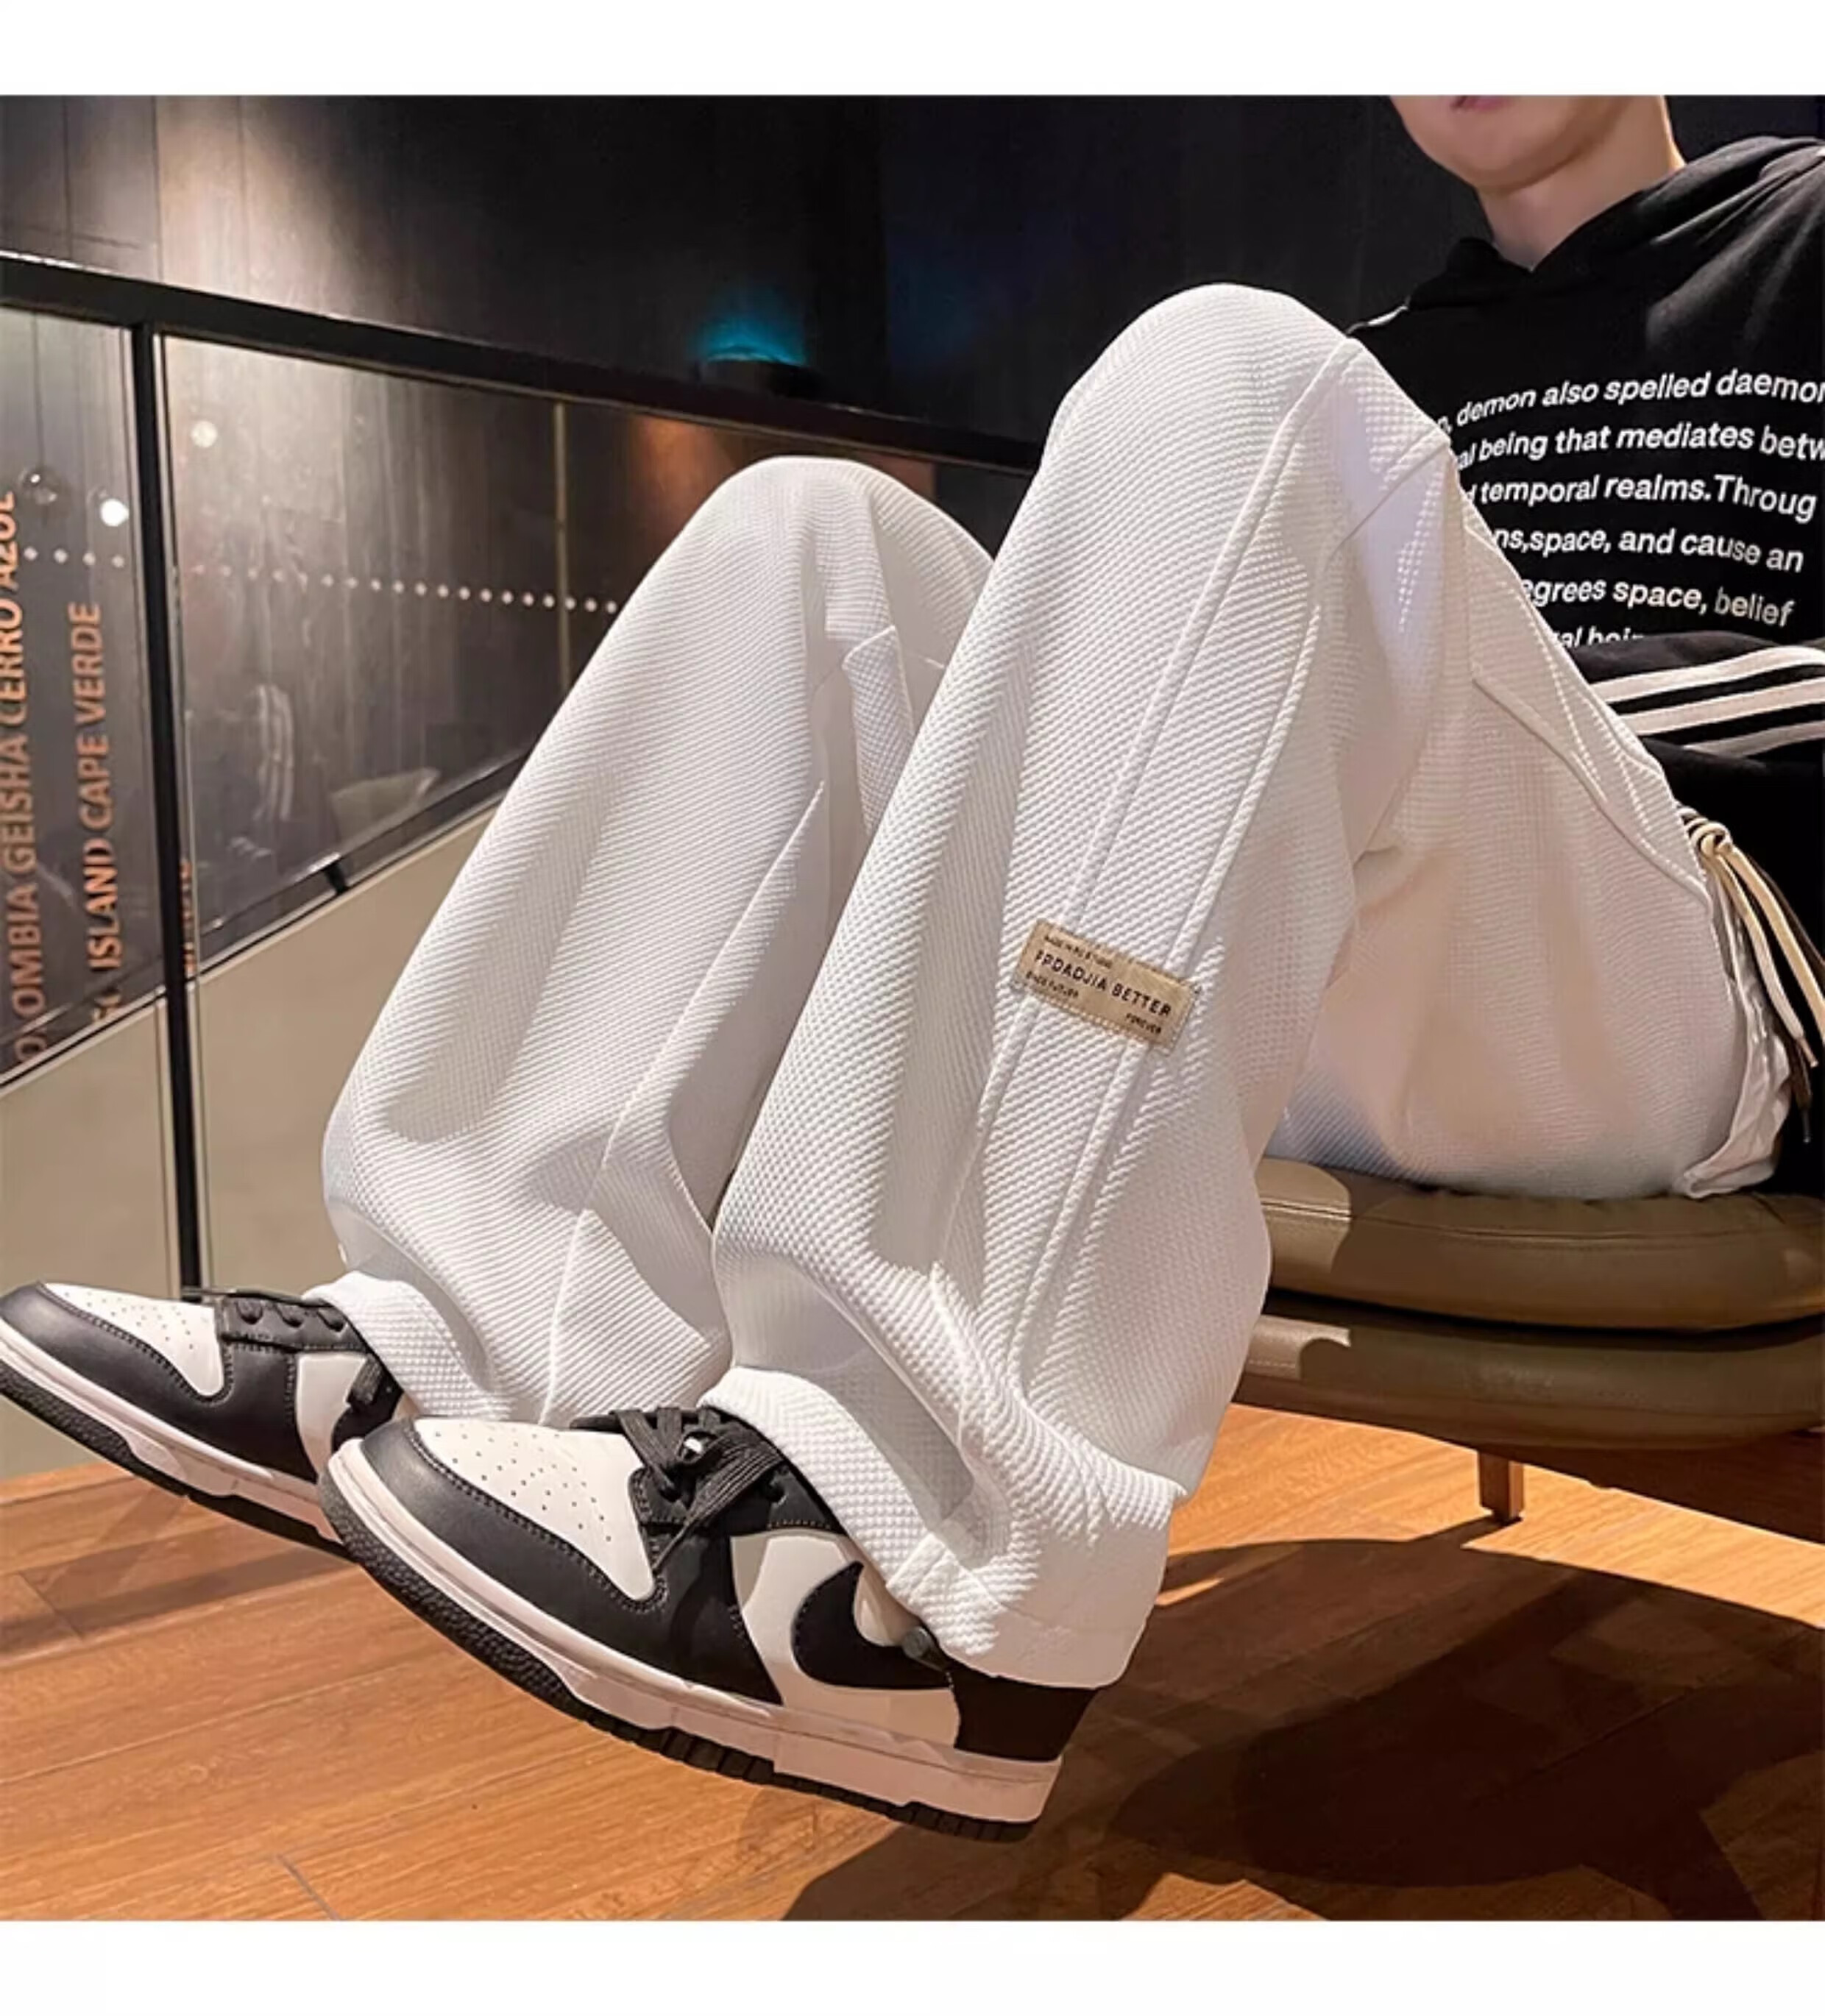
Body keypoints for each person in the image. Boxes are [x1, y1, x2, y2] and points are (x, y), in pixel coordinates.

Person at [2, 96, 1820, 1839]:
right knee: (817, 537)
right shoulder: (1396, 357)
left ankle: (910, 1557)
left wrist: (1437, 661)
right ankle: (459, 1331)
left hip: (1698, 966)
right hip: (1344, 956)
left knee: (1234, 375)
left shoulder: (1791, 245)